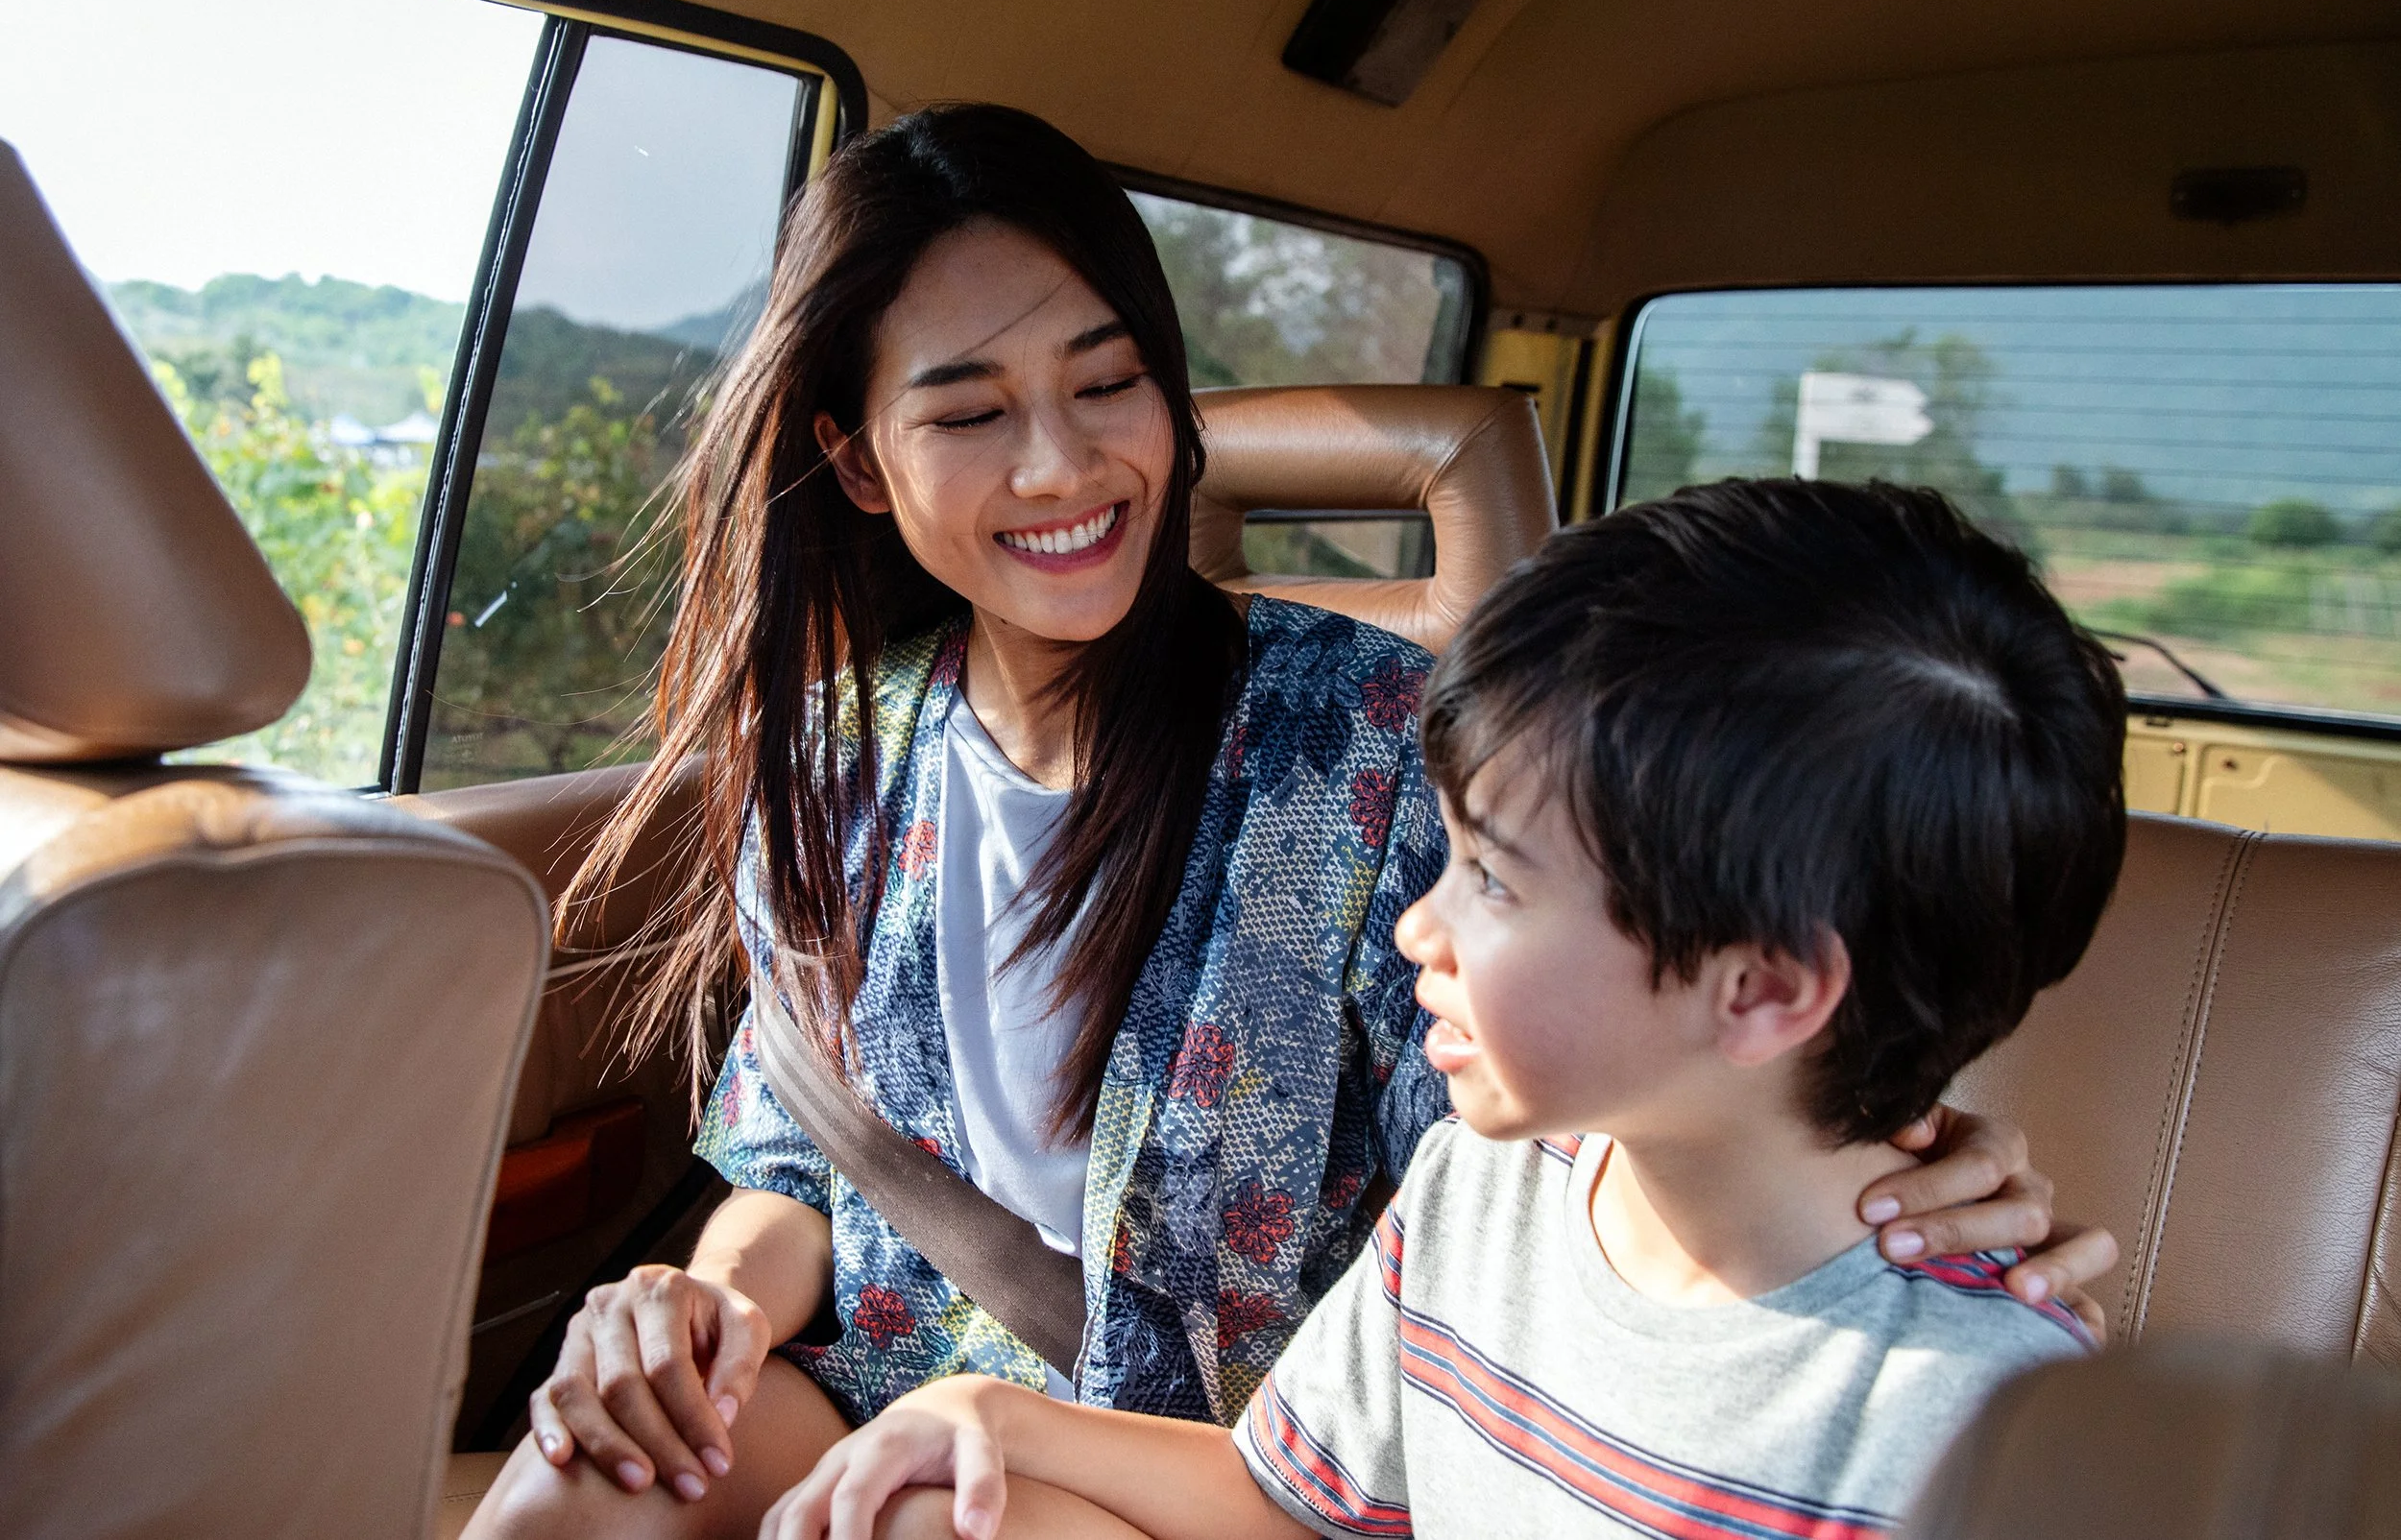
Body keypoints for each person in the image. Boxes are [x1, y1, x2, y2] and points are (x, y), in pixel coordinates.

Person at [463, 107, 2115, 1540]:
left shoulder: (1373, 746)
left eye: (1108, 383)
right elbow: (793, 1156)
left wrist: (1886, 1163)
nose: (1059, 462)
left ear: (1175, 400)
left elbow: (1575, 1116)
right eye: (968, 411)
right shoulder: (835, 751)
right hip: (898, 1389)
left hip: (1227, 1467)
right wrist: (699, 1303)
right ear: (864, 461)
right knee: (585, 1468)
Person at [764, 478, 2124, 1540]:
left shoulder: (1980, 1418)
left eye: (1491, 878)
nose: (1420, 923)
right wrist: (984, 1412)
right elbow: (1287, 1499)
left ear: (1760, 987)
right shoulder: (1483, 1188)